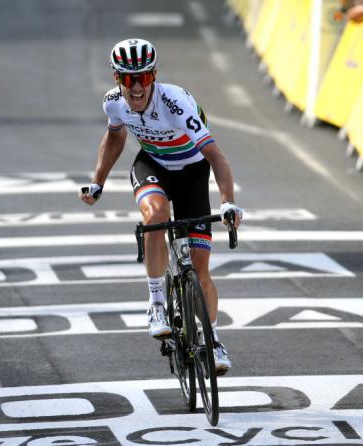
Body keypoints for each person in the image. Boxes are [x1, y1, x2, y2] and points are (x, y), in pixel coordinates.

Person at [79, 38, 243, 375]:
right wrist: (97, 181)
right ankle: (156, 304)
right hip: (152, 166)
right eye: (128, 79)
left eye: (143, 77)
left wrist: (228, 202)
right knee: (155, 217)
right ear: (116, 78)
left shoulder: (175, 103)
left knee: (200, 270)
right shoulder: (114, 104)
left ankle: (212, 339)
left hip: (193, 173)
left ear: (154, 75)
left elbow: (216, 156)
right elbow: (114, 137)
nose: (136, 87)